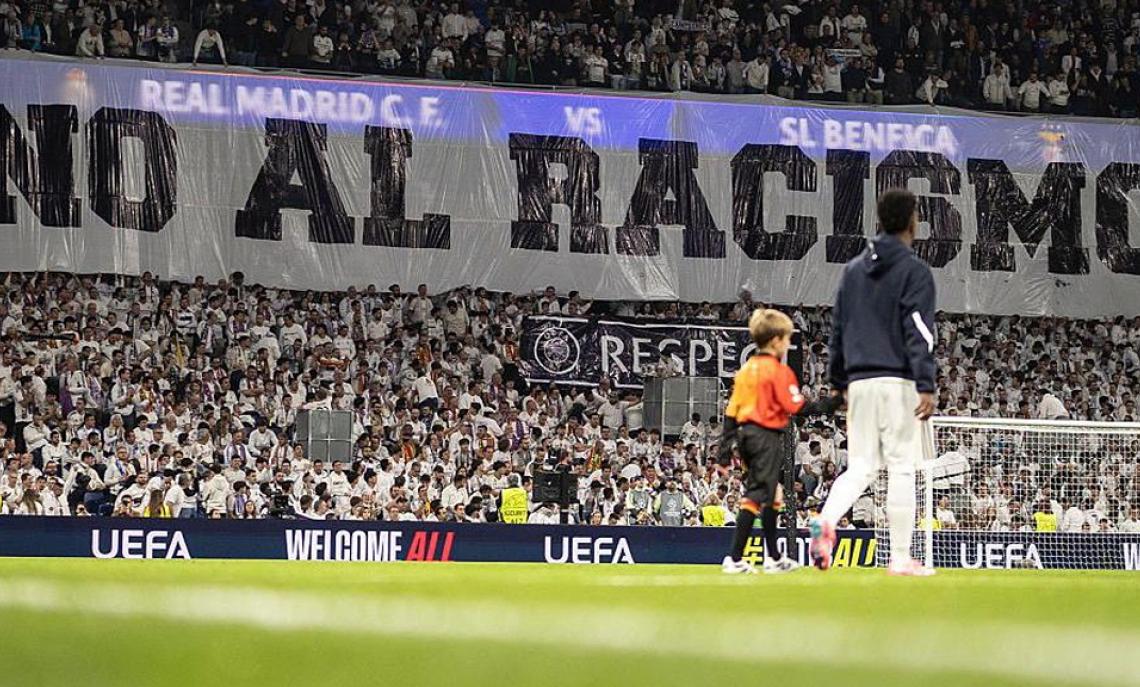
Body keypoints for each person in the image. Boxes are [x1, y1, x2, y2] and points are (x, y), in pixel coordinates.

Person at [810, 188, 937, 577]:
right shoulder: (915, 271)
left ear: (880, 220)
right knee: (901, 467)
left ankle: (827, 520)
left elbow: (838, 329)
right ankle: (899, 557)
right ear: (913, 222)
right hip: (897, 379)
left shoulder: (853, 270)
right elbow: (919, 330)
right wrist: (926, 381)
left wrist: (837, 382)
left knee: (862, 466)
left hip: (860, 382)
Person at [718, 308, 840, 574]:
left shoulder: (747, 369)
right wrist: (832, 402)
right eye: (786, 338)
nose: (788, 343)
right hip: (766, 436)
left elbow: (731, 412)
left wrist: (725, 449)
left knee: (774, 495)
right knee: (756, 495)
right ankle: (734, 558)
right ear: (775, 340)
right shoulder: (778, 371)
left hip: (747, 436)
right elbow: (797, 406)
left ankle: (773, 558)